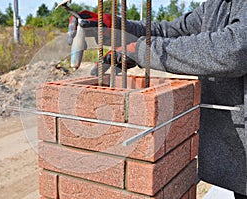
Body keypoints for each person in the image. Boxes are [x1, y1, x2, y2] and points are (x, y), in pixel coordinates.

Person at [67, 0, 247, 198]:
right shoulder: (216, 5)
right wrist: (116, 25)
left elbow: (235, 49)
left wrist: (142, 51)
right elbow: (169, 31)